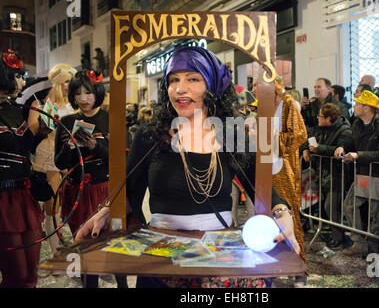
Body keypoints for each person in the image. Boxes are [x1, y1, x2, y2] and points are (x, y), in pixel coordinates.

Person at [75, 46, 300, 288]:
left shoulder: (232, 134)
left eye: (193, 79)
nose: (180, 88)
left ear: (211, 87)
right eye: (174, 80)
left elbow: (260, 189)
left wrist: (283, 214)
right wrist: (106, 211)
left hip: (218, 259)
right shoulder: (150, 135)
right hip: (161, 260)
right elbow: (129, 192)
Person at [54, 70, 127, 288]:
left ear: (97, 92)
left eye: (89, 92)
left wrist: (97, 147)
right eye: (78, 93)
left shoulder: (111, 118)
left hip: (105, 190)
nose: (84, 98)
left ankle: (122, 284)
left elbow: (123, 157)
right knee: (85, 249)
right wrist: (71, 146)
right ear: (72, 96)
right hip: (77, 190)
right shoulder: (66, 121)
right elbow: (59, 163)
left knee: (114, 245)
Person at [0, 49, 50, 287]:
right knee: (15, 275)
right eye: (16, 75)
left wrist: (38, 133)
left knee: (31, 272)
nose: (21, 81)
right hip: (2, 202)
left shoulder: (15, 109)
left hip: (24, 197)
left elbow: (22, 150)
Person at [335, 90, 379, 256]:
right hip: (362, 174)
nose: (354, 106)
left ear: (367, 108)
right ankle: (359, 242)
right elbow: (351, 143)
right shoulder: (357, 124)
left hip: (377, 175)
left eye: (357, 103)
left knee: (377, 215)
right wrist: (343, 147)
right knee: (349, 205)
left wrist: (358, 155)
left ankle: (374, 249)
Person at [27, 63, 76, 255]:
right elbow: (32, 129)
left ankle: (63, 243)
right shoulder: (39, 104)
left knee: (67, 205)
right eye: (67, 82)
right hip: (48, 159)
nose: (70, 86)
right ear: (57, 83)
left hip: (69, 159)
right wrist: (45, 124)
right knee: (52, 207)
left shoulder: (73, 105)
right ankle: (56, 252)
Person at [302, 103, 352, 249]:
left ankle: (339, 238)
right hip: (324, 175)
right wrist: (306, 149)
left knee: (331, 206)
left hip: (337, 174)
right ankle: (334, 235)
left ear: (329, 118)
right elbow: (309, 138)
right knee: (328, 206)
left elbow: (340, 151)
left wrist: (319, 149)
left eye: (321, 116)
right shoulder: (321, 128)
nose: (317, 118)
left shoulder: (344, 131)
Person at [272, 76, 308, 264]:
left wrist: (272, 137)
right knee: (268, 217)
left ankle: (299, 267)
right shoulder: (264, 106)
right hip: (266, 166)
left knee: (290, 215)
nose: (253, 90)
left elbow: (300, 134)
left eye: (256, 85)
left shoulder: (288, 103)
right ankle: (274, 263)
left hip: (284, 168)